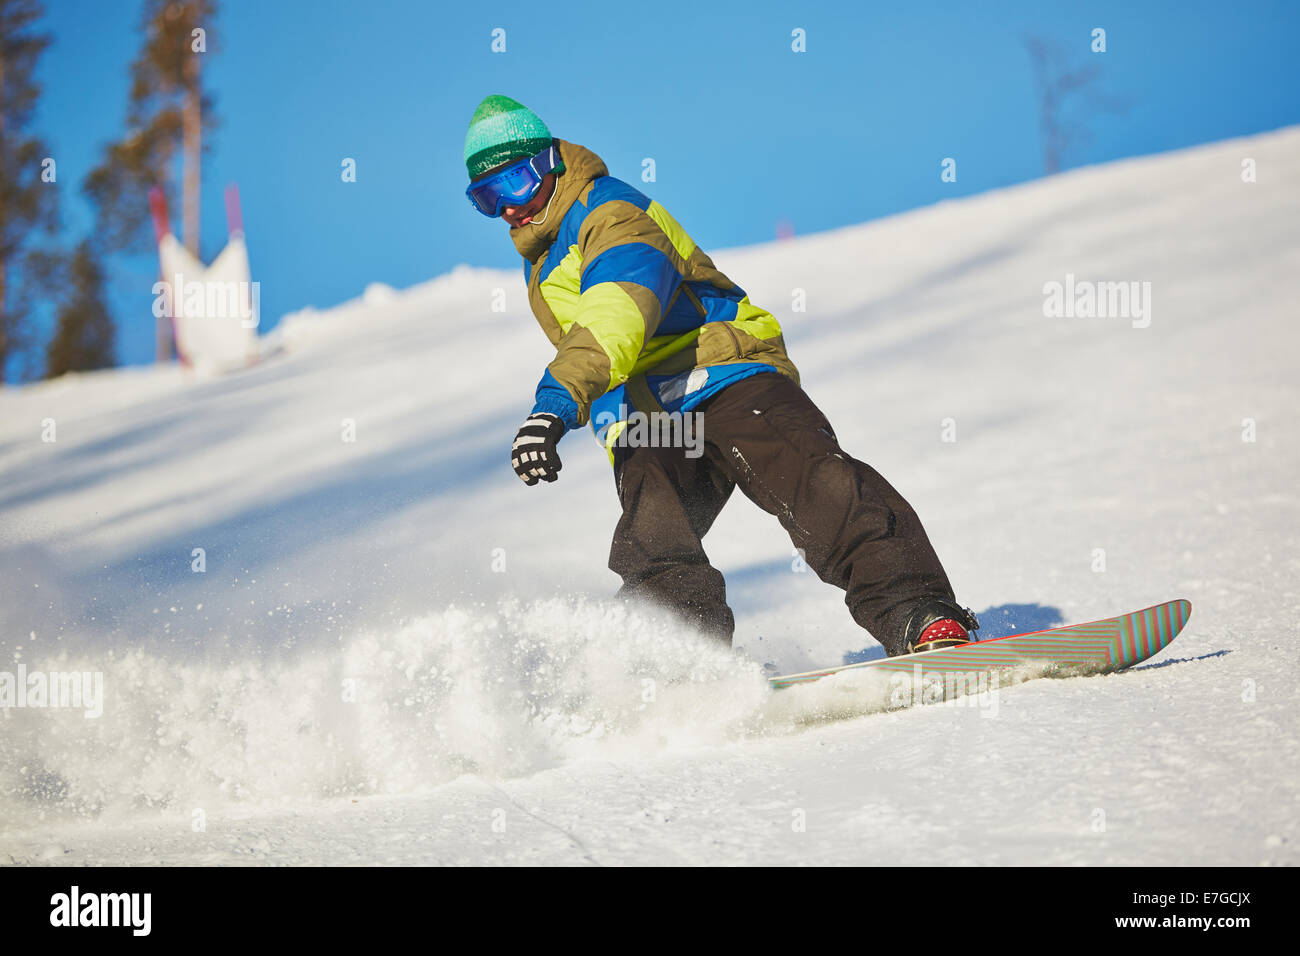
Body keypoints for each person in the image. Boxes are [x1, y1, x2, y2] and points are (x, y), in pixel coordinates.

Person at [463, 94, 978, 656]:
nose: (508, 207)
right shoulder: (541, 265)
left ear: (552, 163)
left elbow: (617, 312)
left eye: (516, 180)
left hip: (725, 373)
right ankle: (682, 666)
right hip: (655, 417)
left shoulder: (610, 214)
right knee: (653, 542)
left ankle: (920, 617)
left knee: (816, 483)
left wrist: (554, 406)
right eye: (488, 196)